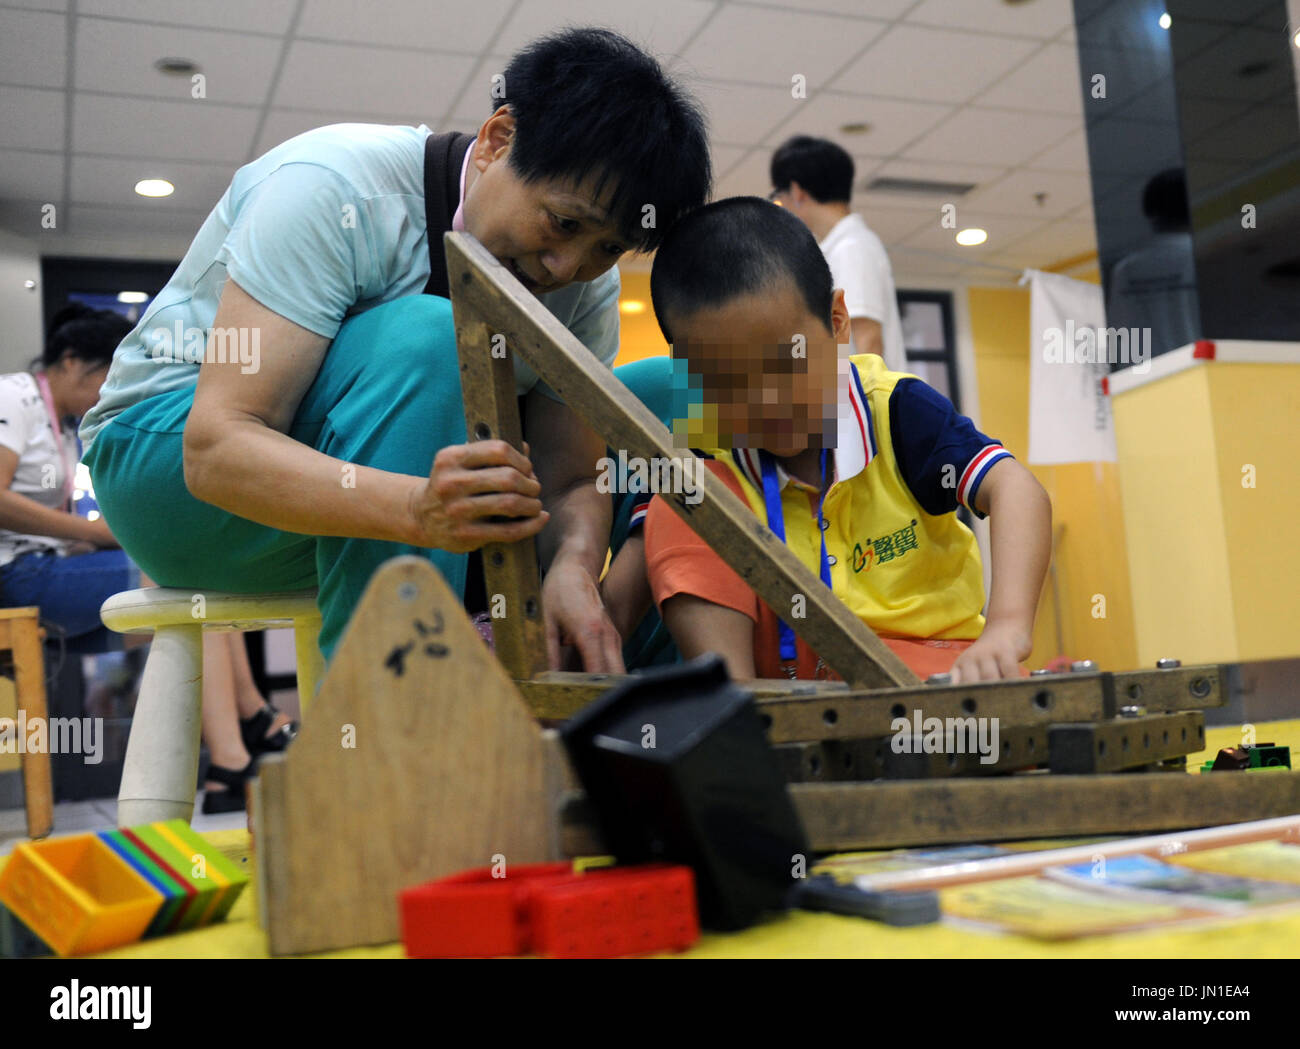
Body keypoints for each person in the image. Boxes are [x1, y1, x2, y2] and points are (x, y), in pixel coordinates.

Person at [79, 28, 711, 671]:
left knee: (675, 392)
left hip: (406, 506)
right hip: (174, 469)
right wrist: (414, 507)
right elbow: (216, 450)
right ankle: (385, 738)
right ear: (499, 140)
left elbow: (573, 475)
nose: (565, 265)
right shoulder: (333, 187)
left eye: (607, 248)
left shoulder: (585, 284)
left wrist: (575, 563)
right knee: (431, 337)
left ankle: (629, 715)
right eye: (563, 223)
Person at [642, 197, 1052, 684]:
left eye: (785, 363)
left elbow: (1015, 489)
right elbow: (648, 547)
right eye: (727, 383)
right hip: (795, 696)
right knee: (680, 496)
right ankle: (739, 712)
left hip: (936, 674)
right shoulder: (704, 442)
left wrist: (1006, 629)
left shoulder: (896, 410)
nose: (766, 403)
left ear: (838, 321)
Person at [0, 304, 287, 812]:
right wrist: (97, 534)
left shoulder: (64, 428)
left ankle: (237, 749)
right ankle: (238, 743)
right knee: (184, 579)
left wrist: (91, 538)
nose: (104, 395)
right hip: (17, 579)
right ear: (70, 362)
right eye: (103, 379)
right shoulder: (13, 395)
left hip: (44, 571)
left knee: (200, 588)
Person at [770, 135, 906, 372]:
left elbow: (869, 343)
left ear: (796, 190)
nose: (780, 203)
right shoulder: (837, 250)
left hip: (860, 406)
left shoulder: (852, 248)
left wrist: (860, 409)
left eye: (779, 195)